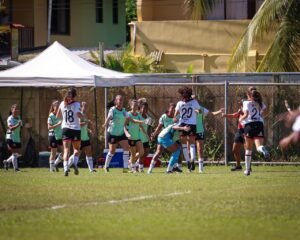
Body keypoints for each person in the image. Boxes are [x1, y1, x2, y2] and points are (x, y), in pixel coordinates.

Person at [102, 95, 144, 173]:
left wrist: (142, 121)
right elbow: (109, 117)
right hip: (112, 133)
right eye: (119, 100)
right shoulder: (113, 109)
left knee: (126, 148)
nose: (121, 102)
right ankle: (106, 166)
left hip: (121, 133)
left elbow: (131, 120)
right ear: (116, 101)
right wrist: (105, 123)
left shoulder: (124, 111)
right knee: (112, 151)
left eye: (122, 100)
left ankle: (125, 168)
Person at [239, 87, 269, 176]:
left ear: (248, 95)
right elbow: (266, 113)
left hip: (249, 125)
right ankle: (262, 149)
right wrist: (260, 115)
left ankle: (247, 170)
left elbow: (246, 114)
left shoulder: (246, 102)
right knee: (258, 146)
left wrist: (240, 119)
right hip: (259, 124)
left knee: (248, 149)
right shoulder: (260, 103)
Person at [56, 88, 83, 177]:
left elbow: (57, 116)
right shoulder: (76, 104)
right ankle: (74, 163)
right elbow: (79, 115)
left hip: (65, 129)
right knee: (76, 149)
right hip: (75, 129)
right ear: (75, 96)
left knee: (66, 150)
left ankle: (65, 168)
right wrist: (84, 116)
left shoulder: (62, 103)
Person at [148, 103, 182, 173]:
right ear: (169, 109)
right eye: (171, 109)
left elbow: (178, 127)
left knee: (177, 150)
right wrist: (154, 134)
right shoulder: (164, 116)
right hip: (164, 137)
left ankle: (176, 167)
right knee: (161, 151)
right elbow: (159, 127)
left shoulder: (178, 117)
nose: (172, 111)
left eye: (174, 110)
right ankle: (151, 169)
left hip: (173, 136)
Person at [174, 87, 201, 172]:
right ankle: (193, 158)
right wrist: (195, 111)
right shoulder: (194, 102)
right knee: (192, 143)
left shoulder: (179, 103)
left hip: (182, 124)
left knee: (184, 145)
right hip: (192, 124)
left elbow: (175, 116)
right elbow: (199, 111)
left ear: (182, 95)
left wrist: (175, 119)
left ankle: (188, 161)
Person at [194, 97, 223, 173]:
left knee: (199, 148)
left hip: (199, 128)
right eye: (192, 99)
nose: (194, 101)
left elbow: (211, 114)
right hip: (190, 128)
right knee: (189, 148)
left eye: (195, 100)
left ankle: (201, 168)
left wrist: (220, 111)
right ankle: (190, 165)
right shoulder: (188, 108)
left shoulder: (201, 108)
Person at [222, 100, 244, 171]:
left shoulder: (249, 109)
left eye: (241, 104)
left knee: (247, 149)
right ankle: (238, 166)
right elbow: (235, 115)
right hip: (239, 131)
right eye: (240, 104)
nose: (240, 105)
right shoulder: (240, 110)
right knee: (234, 149)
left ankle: (248, 166)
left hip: (247, 130)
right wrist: (225, 115)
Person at [126, 99, 145, 173]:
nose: (135, 107)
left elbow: (140, 125)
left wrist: (146, 134)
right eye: (134, 105)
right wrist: (127, 134)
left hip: (137, 137)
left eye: (136, 106)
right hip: (130, 137)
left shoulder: (138, 115)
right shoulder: (128, 114)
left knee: (142, 152)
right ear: (131, 106)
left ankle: (130, 162)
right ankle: (133, 168)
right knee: (133, 153)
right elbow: (132, 121)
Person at [3, 104, 22, 171]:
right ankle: (16, 169)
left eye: (18, 109)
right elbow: (10, 128)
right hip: (10, 137)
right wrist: (18, 124)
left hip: (17, 137)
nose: (17, 110)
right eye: (15, 109)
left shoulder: (19, 117)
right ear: (12, 110)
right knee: (14, 153)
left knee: (19, 153)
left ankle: (7, 161)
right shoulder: (10, 118)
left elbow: (20, 127)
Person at [80, 101, 96, 173]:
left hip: (85, 137)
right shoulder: (79, 114)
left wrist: (89, 130)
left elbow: (84, 126)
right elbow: (78, 124)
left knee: (89, 152)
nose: (85, 108)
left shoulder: (85, 115)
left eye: (86, 106)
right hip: (79, 138)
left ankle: (91, 169)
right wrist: (87, 122)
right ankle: (67, 167)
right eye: (84, 106)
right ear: (81, 106)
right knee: (77, 153)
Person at [47, 100, 63, 172]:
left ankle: (55, 164)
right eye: (56, 105)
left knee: (65, 152)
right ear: (53, 107)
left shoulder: (61, 115)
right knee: (53, 152)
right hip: (52, 135)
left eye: (59, 105)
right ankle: (51, 169)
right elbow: (49, 127)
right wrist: (57, 124)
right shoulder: (51, 116)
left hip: (60, 135)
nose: (58, 107)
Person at [137, 101, 151, 172]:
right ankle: (140, 168)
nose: (144, 110)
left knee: (147, 152)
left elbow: (149, 128)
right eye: (143, 108)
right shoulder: (138, 116)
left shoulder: (149, 118)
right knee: (142, 153)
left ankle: (136, 163)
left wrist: (150, 136)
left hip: (145, 138)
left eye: (146, 108)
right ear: (140, 108)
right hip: (139, 137)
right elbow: (140, 126)